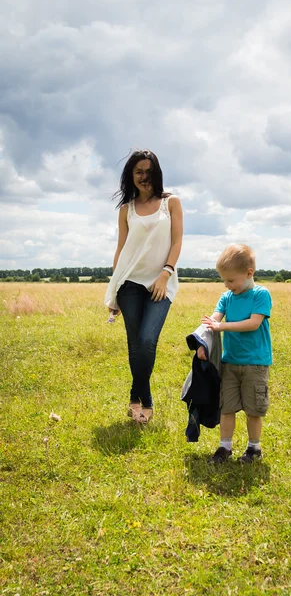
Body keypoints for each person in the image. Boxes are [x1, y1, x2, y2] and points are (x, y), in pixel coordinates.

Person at [105, 149, 183, 424]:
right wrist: (114, 293)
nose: (144, 177)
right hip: (129, 283)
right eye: (138, 172)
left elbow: (176, 243)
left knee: (148, 340)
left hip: (161, 283)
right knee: (135, 344)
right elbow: (121, 251)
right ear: (131, 175)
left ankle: (134, 395)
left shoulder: (171, 203)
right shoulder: (126, 209)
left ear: (157, 173)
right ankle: (143, 402)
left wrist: (166, 273)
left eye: (149, 172)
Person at [198, 244, 272, 463]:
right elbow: (213, 321)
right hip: (229, 363)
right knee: (227, 407)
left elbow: (253, 323)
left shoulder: (261, 294)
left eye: (231, 280)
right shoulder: (226, 297)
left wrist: (221, 327)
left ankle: (254, 448)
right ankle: (224, 447)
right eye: (224, 280)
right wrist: (203, 343)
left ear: (249, 273)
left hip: (255, 364)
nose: (227, 285)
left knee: (253, 410)